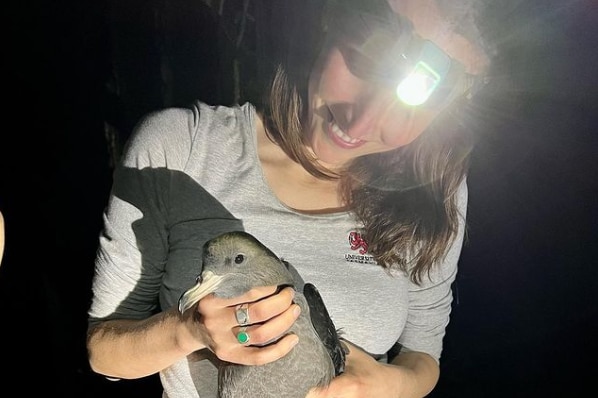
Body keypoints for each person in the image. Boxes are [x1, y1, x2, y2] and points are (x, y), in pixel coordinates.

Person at [87, 0, 496, 397]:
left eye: (415, 99)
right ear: (331, 20)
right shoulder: (179, 150)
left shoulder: (431, 188)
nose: (362, 122)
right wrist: (187, 330)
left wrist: (389, 385)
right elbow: (103, 352)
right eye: (366, 58)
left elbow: (423, 350)